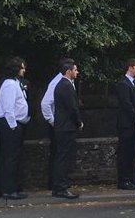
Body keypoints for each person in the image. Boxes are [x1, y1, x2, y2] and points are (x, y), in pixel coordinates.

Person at [0, 57, 29, 200]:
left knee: (12, 158)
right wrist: (13, 126)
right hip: (9, 125)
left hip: (14, 124)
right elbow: (8, 108)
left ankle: (11, 188)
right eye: (22, 67)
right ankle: (8, 189)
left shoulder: (15, 83)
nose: (24, 70)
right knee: (9, 158)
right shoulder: (9, 84)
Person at [51, 58, 81, 199]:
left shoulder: (62, 84)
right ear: (68, 71)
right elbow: (72, 108)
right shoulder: (66, 85)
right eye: (75, 70)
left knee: (61, 157)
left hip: (62, 126)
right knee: (63, 158)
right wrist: (78, 122)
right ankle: (61, 188)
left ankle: (58, 187)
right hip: (66, 127)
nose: (77, 72)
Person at [114, 58, 135, 190]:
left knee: (132, 152)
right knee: (125, 152)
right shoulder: (123, 84)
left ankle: (131, 178)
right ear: (130, 67)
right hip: (126, 124)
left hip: (133, 124)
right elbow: (127, 105)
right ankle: (123, 179)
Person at [40, 63, 65, 191]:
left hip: (60, 124)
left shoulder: (62, 81)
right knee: (57, 154)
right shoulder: (57, 83)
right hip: (57, 124)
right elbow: (45, 103)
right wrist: (52, 121)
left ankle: (59, 181)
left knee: (60, 153)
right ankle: (55, 183)